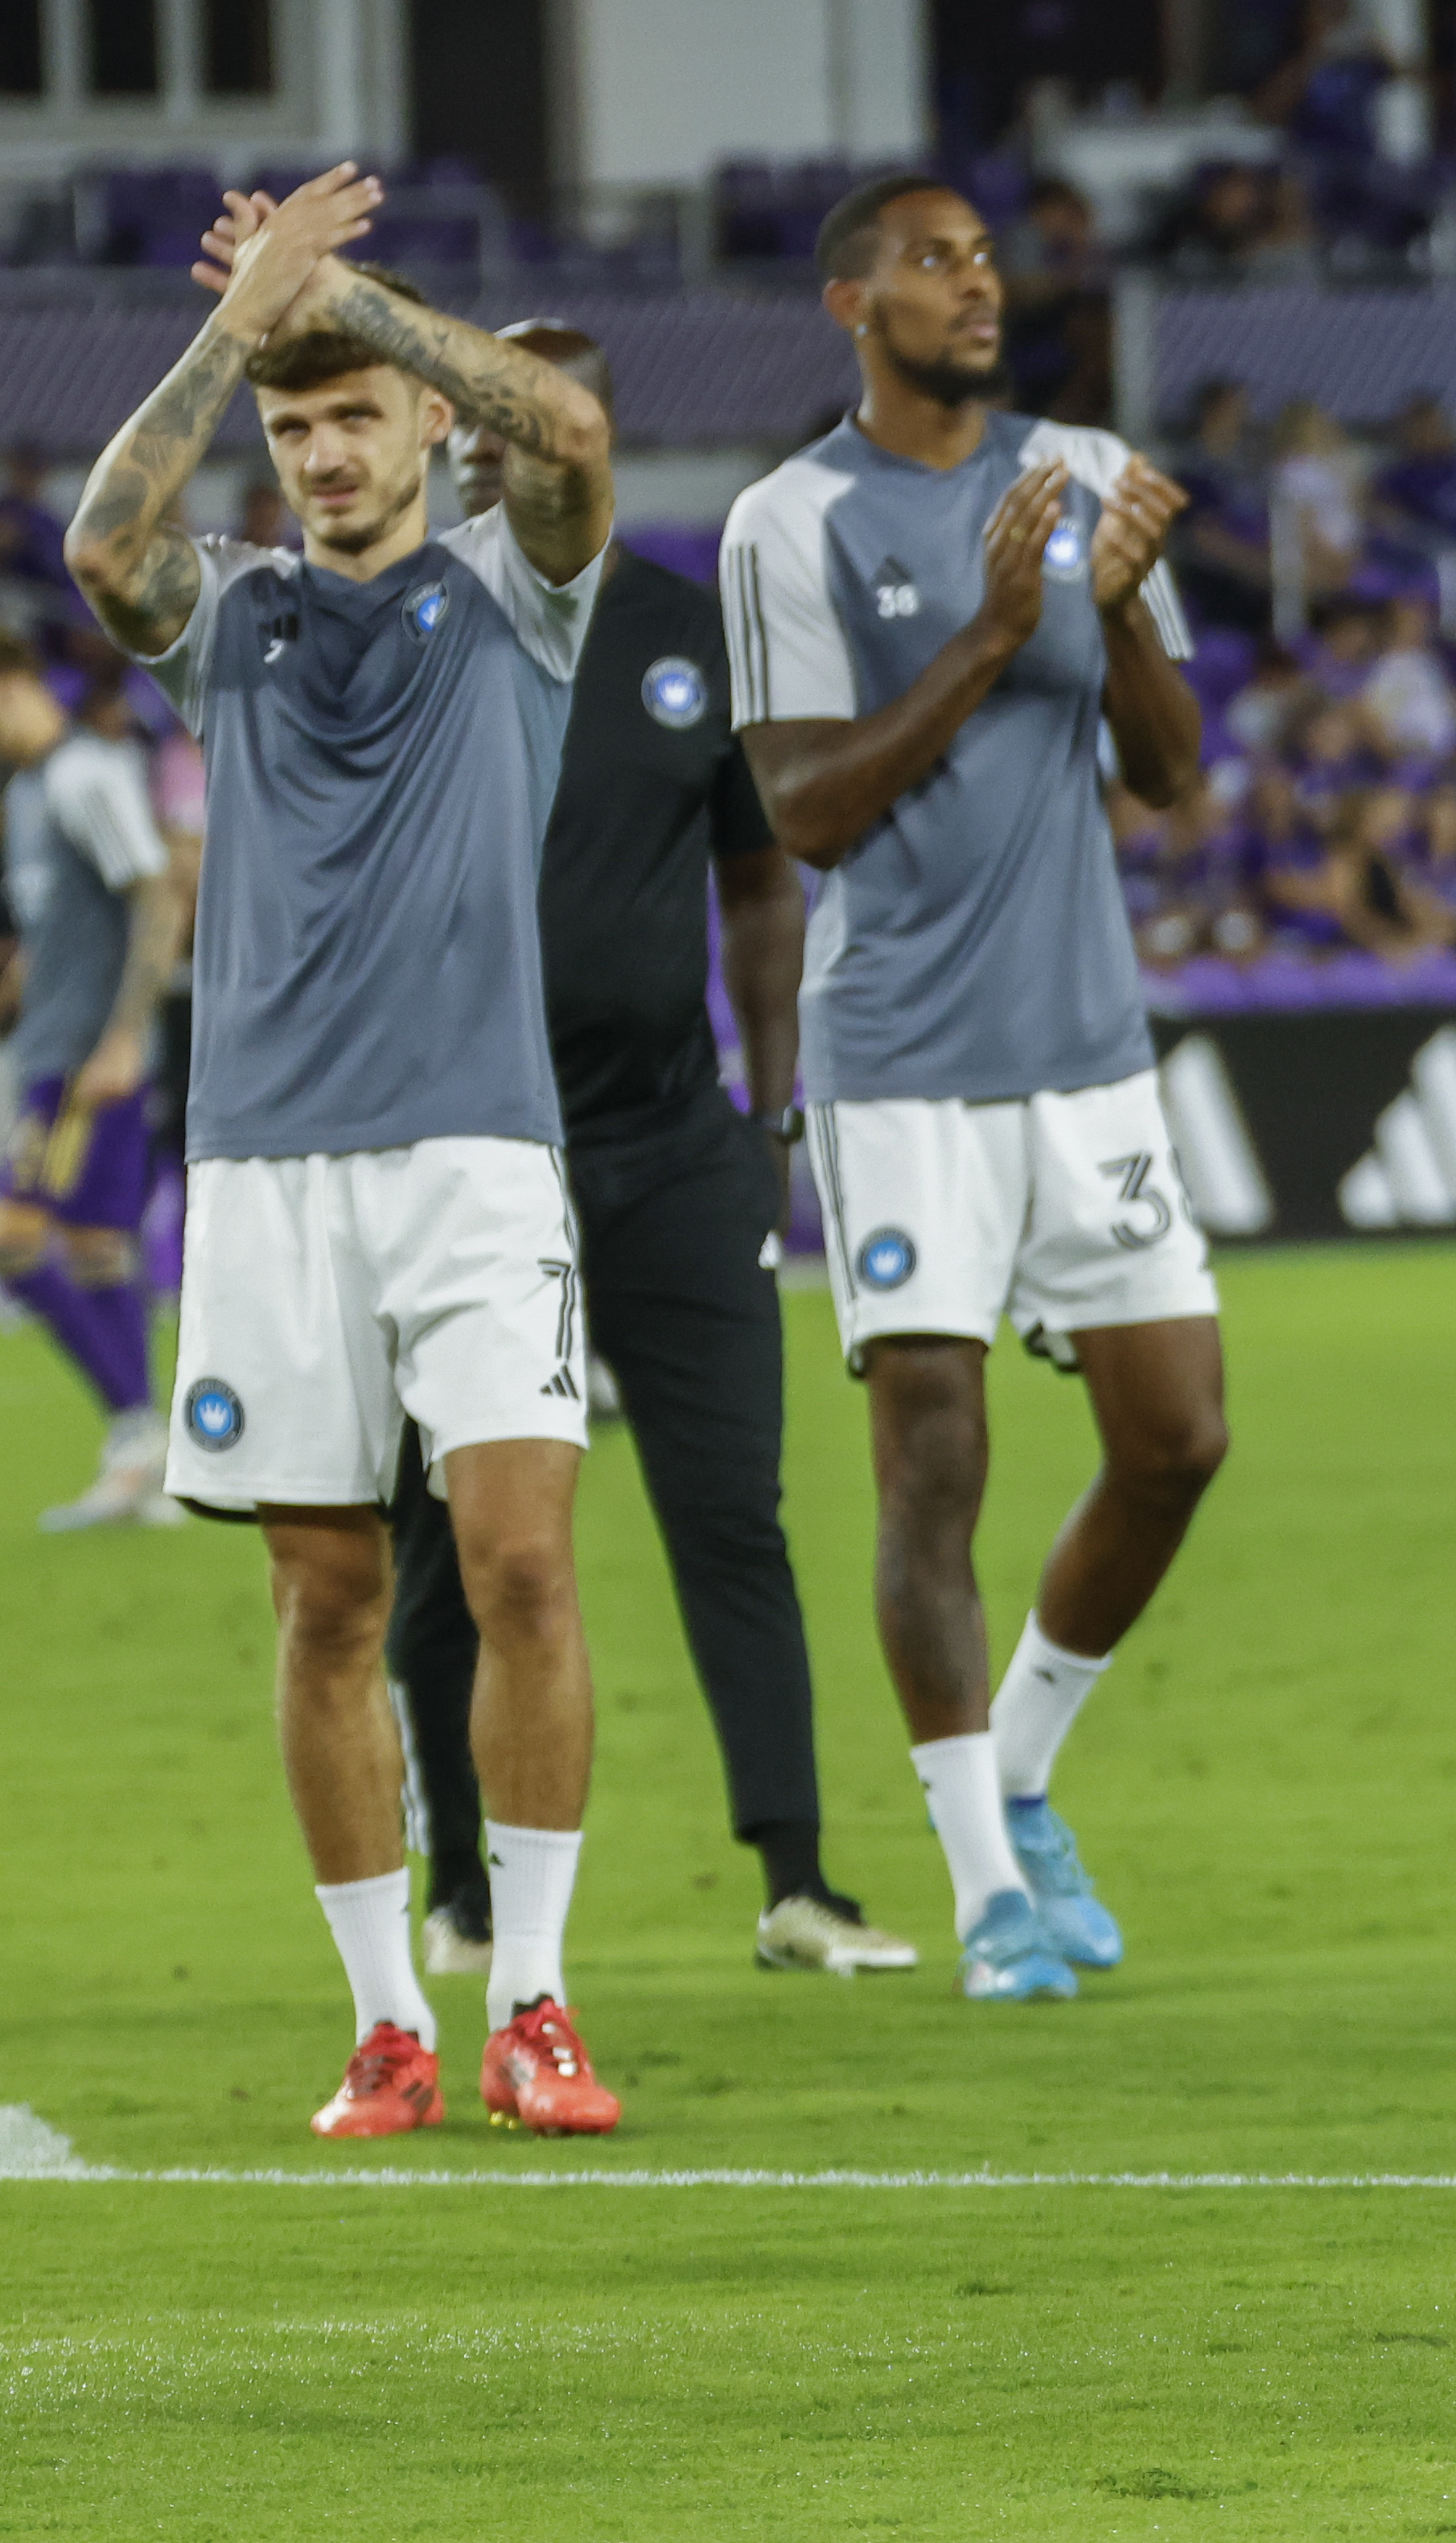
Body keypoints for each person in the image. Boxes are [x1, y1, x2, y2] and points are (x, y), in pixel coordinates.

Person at [64, 168, 629, 2140]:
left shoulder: (513, 591)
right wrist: (242, 330)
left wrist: (351, 299)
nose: (315, 456)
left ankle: (534, 2004)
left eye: (348, 421)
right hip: (268, 1171)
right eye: (293, 429)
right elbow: (101, 547)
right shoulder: (233, 617)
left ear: (421, 430)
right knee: (321, 1598)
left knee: (522, 1563)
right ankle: (388, 2019)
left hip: (477, 1156)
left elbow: (566, 435)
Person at [722, 173, 1228, 2006]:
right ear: (850, 298)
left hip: (1083, 1051)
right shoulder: (788, 522)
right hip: (904, 1063)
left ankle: (1012, 1771)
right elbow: (803, 808)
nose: (976, 284)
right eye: (932, 260)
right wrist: (999, 632)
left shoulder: (1080, 463)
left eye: (987, 257)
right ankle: (982, 1888)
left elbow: (1168, 776)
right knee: (933, 1466)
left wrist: (1127, 608)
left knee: (1178, 1439)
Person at [383, 319, 910, 1987]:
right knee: (444, 1535)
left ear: (590, 433)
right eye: (465, 416)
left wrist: (773, 1110)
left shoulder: (694, 634)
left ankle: (800, 1880)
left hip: (672, 1138)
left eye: (518, 413)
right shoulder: (403, 629)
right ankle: (461, 1885)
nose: (489, 442)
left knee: (729, 1507)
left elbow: (762, 887)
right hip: (466, 1148)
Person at [0, 618, 185, 1527]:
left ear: (8, 686)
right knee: (98, 1250)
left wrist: (125, 1038)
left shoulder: (87, 774)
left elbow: (157, 891)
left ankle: (139, 1432)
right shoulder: (27, 796)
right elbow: (54, 933)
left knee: (10, 1239)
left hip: (91, 1063)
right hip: (58, 1051)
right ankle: (144, 1454)